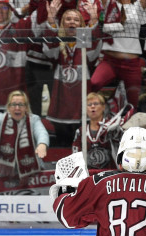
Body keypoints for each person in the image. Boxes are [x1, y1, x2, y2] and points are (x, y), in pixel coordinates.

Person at [42, 4, 101, 147]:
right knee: (63, 143)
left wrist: (93, 20)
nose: (72, 22)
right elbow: (49, 52)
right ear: (62, 23)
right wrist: (50, 20)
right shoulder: (58, 39)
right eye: (68, 19)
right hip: (61, 94)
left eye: (76, 20)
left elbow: (93, 55)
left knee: (81, 142)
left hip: (81, 93)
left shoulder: (84, 39)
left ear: (81, 24)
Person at [90, 0, 146, 109]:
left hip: (131, 65)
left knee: (133, 103)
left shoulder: (137, 6)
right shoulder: (109, 3)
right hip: (110, 61)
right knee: (93, 84)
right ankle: (93, 115)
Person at [0, 91, 49, 179]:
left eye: (21, 105)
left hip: (30, 168)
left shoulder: (34, 119)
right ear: (8, 107)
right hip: (3, 167)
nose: (17, 108)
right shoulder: (0, 118)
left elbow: (42, 132)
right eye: (13, 105)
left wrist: (42, 144)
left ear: (26, 107)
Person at [71, 91, 131, 169]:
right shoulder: (80, 132)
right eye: (89, 104)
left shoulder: (112, 127)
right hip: (90, 176)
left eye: (96, 104)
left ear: (103, 107)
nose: (92, 106)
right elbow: (75, 156)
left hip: (110, 176)